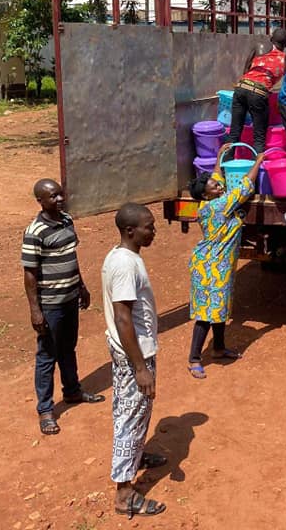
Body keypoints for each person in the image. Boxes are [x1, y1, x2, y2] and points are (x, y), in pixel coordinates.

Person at [21, 178, 104, 436]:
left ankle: (72, 391)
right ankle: (45, 410)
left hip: (70, 297)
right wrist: (35, 310)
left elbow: (71, 257)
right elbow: (30, 273)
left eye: (60, 194)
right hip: (50, 304)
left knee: (68, 347)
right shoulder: (35, 232)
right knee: (47, 355)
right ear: (40, 201)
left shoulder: (67, 220)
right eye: (52, 196)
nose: (58, 199)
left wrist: (81, 286)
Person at [102, 202, 167, 518]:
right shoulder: (126, 265)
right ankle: (125, 493)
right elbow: (123, 317)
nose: (153, 230)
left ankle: (136, 455)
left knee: (130, 411)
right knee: (132, 414)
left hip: (127, 350)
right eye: (148, 226)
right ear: (130, 231)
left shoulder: (120, 256)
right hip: (134, 354)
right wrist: (140, 367)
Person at [187, 142, 265, 379]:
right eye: (214, 185)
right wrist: (258, 161)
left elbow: (216, 178)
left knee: (219, 308)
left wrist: (219, 158)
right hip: (211, 266)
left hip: (216, 262)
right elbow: (245, 187)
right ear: (206, 193)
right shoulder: (220, 206)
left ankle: (219, 348)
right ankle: (194, 358)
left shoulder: (205, 203)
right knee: (206, 313)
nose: (218, 184)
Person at [225, 28, 286, 152]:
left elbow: (246, 70)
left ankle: (224, 166)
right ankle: (257, 169)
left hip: (241, 88)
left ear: (271, 39)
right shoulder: (285, 60)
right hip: (258, 94)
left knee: (234, 132)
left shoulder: (258, 46)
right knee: (259, 137)